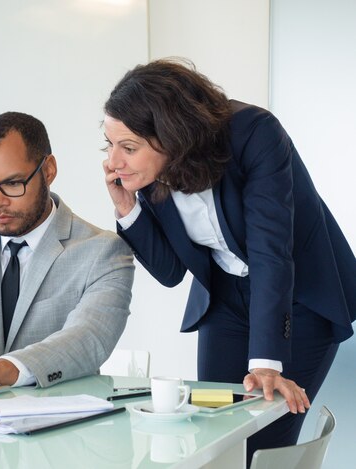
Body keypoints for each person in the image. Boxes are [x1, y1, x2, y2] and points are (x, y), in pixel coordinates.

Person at [101, 59, 355, 463]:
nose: (113, 162)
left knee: (261, 438)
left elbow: (273, 252)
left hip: (298, 297)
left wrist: (268, 364)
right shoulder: (146, 173)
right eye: (109, 145)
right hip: (225, 299)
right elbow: (170, 273)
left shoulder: (255, 133)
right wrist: (127, 211)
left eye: (127, 148)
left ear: (171, 136)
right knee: (213, 434)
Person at [0, 111, 134, 389]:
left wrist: (3, 370)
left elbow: (89, 338)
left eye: (12, 183)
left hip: (64, 423)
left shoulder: (103, 251)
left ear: (48, 171)